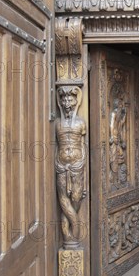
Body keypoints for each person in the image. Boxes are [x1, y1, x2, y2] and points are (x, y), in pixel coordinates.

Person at [55, 86, 86, 247]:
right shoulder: (57, 123)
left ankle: (74, 232)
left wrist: (85, 176)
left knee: (76, 197)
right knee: (63, 200)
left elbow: (84, 146)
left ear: (76, 101)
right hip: (61, 165)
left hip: (77, 164)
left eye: (70, 99)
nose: (67, 102)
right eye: (64, 99)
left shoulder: (81, 122)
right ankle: (68, 238)